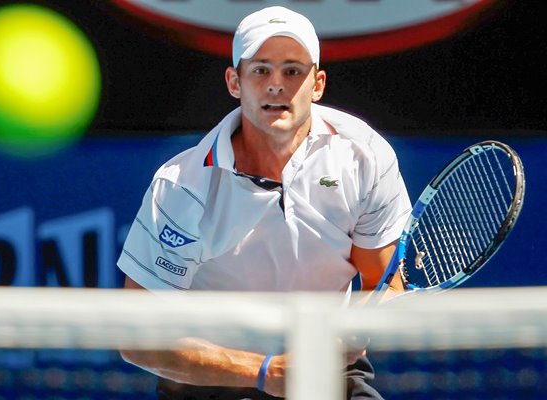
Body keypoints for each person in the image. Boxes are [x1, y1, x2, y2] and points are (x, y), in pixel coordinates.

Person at [117, 6, 411, 399]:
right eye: (260, 70)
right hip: (212, 379)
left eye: (292, 70)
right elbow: (138, 336)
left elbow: (383, 283)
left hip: (327, 371)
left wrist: (358, 327)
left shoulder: (364, 156)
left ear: (317, 83)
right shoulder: (181, 187)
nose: (276, 85)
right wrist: (266, 373)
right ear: (234, 82)